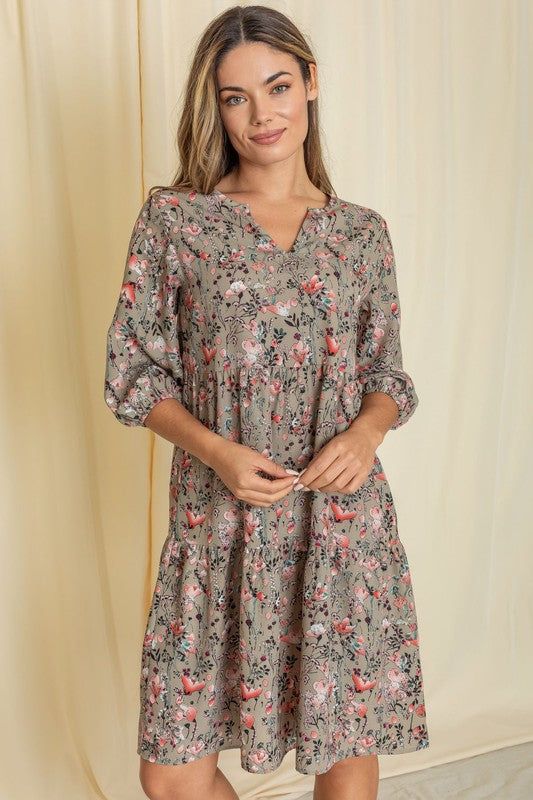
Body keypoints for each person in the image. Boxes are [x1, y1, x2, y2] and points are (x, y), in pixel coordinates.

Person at [103, 5, 430, 800]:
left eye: (277, 87)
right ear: (213, 108)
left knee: (345, 742)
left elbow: (388, 374)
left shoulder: (360, 233)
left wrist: (365, 434)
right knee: (171, 770)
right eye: (235, 97)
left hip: (340, 525)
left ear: (310, 84)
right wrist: (215, 451)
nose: (261, 115)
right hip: (220, 528)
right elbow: (132, 373)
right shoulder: (177, 220)